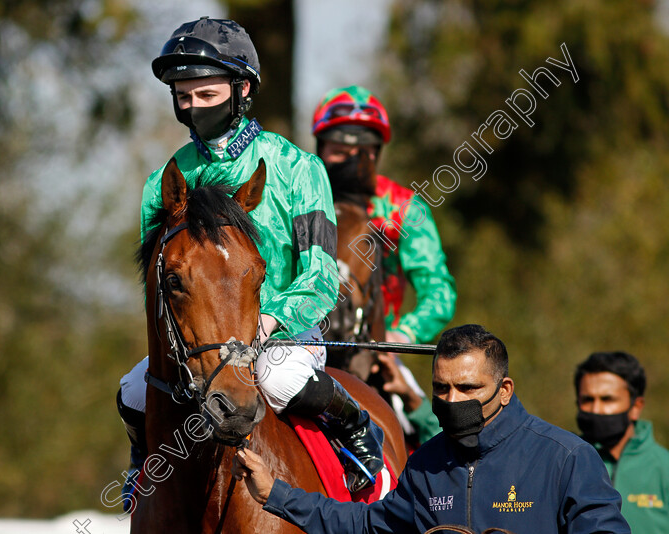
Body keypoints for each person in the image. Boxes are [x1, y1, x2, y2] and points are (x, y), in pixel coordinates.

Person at [116, 17, 386, 509]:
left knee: (278, 378)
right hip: (200, 342)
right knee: (134, 390)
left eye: (206, 93)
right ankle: (144, 462)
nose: (192, 106)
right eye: (183, 94)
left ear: (241, 88)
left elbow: (322, 276)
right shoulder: (162, 183)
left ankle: (358, 431)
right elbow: (157, 292)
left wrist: (269, 319)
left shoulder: (298, 169)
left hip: (284, 336)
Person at [232, 324, 631, 534]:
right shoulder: (425, 464)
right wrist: (276, 494)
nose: (453, 400)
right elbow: (366, 524)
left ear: (505, 390)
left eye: (468, 388)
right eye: (442, 388)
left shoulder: (566, 458)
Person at [312, 85, 454, 446]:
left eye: (360, 152)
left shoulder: (406, 208)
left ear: (376, 153)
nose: (349, 159)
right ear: (320, 149)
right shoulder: (300, 199)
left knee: (445, 443)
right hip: (300, 341)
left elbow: (438, 291)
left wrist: (401, 336)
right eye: (338, 150)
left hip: (374, 345)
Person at [575, 351, 669, 533]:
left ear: (636, 407)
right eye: (587, 400)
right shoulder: (565, 462)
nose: (596, 409)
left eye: (607, 399)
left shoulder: (664, 468)